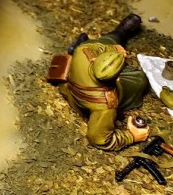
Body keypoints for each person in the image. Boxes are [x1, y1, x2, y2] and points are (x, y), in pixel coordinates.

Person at [52, 14, 150, 151]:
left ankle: (119, 33)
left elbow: (100, 48)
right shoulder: (106, 104)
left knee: (104, 42)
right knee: (140, 81)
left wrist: (114, 49)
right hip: (82, 103)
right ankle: (118, 39)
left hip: (69, 84)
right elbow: (99, 139)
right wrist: (132, 136)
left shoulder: (83, 52)